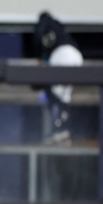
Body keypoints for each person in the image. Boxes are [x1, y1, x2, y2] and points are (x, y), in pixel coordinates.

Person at [32, 11, 84, 145]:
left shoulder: (44, 25)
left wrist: (40, 59)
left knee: (55, 94)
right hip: (76, 56)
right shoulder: (58, 26)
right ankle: (63, 131)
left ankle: (58, 131)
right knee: (64, 96)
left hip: (61, 56)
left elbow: (39, 41)